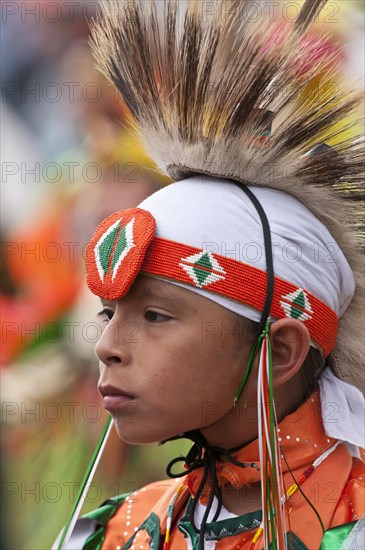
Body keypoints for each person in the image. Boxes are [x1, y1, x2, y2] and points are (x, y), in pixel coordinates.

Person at [54, 1, 364, 548]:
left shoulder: (352, 523)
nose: (106, 346)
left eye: (154, 314)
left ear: (281, 352)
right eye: (109, 313)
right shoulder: (114, 533)